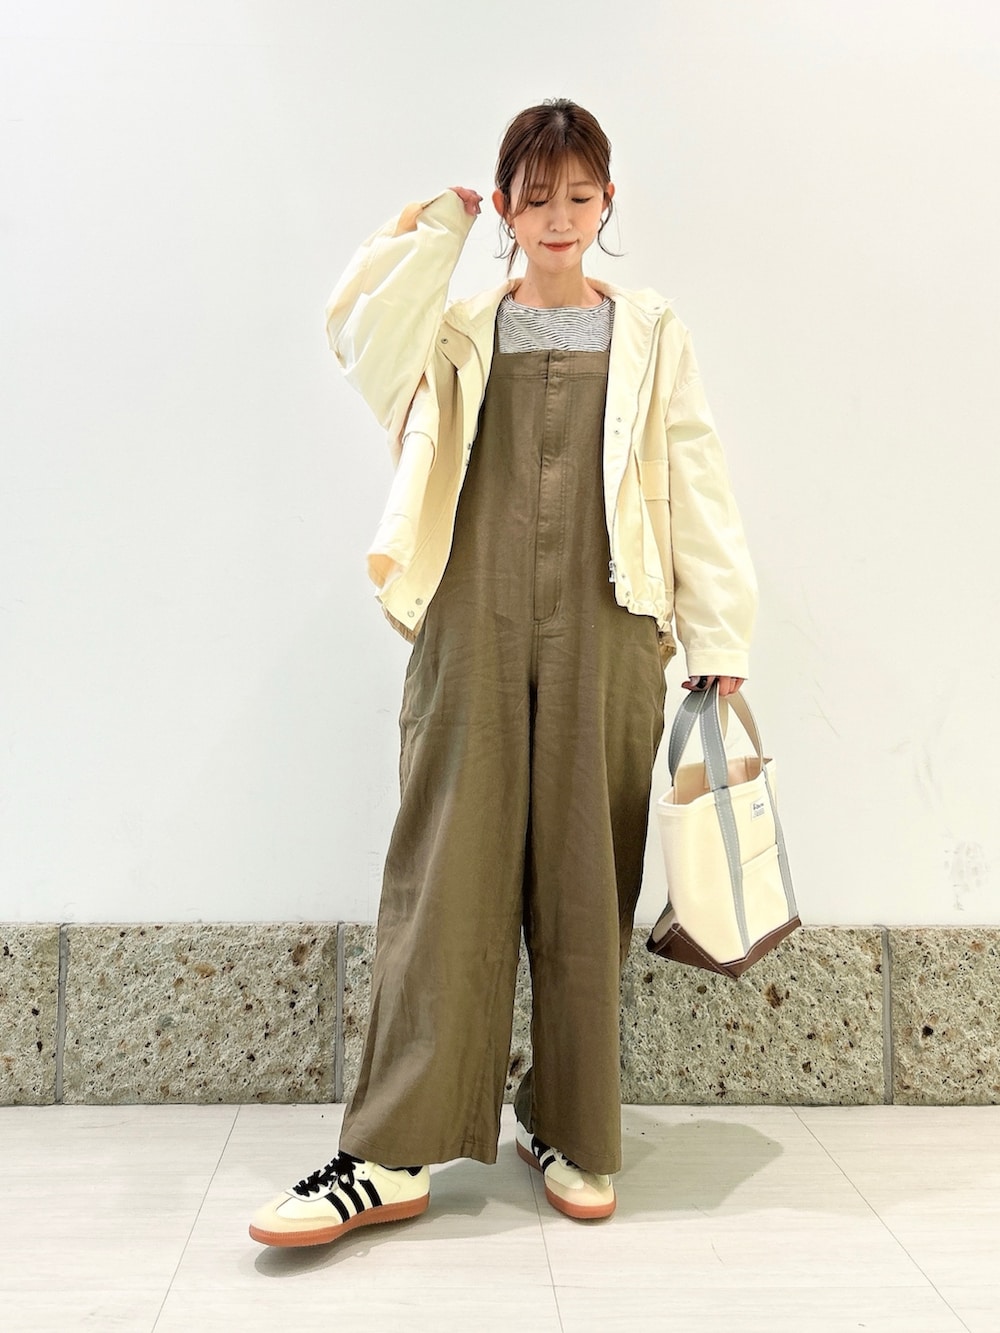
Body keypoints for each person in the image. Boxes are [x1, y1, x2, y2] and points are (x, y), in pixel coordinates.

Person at [250, 98, 757, 1248]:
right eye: (536, 197)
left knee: (587, 879)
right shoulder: (455, 329)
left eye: (579, 195)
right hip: (466, 615)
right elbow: (354, 331)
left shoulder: (651, 330)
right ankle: (391, 1153)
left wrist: (718, 634)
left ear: (608, 201)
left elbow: (694, 470)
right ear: (508, 207)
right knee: (445, 873)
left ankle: (569, 1125)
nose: (559, 217)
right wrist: (432, 231)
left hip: (612, 619)